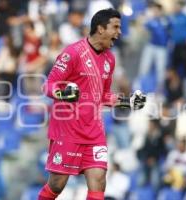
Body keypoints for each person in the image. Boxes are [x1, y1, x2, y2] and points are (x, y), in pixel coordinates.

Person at [38, 8, 146, 200]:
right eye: (116, 27)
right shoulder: (72, 52)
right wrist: (63, 93)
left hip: (94, 132)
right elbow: (47, 86)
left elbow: (103, 96)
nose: (119, 32)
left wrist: (128, 102)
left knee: (98, 180)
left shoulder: (109, 59)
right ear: (101, 28)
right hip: (68, 130)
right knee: (57, 185)